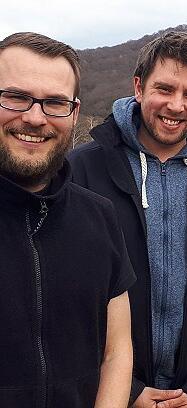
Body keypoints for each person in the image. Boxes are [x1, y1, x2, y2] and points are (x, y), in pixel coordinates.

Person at [69, 31, 187, 408]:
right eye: (164, 89)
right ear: (138, 87)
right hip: (105, 392)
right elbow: (66, 294)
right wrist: (129, 388)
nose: (176, 105)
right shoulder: (80, 172)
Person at [0, 32, 136, 407]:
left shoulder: (99, 217)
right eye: (15, 97)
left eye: (54, 103)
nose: (34, 117)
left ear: (74, 114)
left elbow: (117, 350)